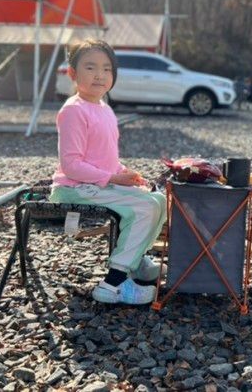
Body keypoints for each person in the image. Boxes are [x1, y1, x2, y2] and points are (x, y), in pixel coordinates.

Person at [50, 39, 167, 305]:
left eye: (107, 69)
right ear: (73, 73)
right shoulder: (73, 110)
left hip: (98, 184)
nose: (99, 75)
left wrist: (126, 174)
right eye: (90, 67)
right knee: (144, 208)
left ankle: (136, 261)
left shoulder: (104, 109)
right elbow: (71, 165)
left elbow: (105, 159)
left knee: (159, 200)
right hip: (74, 187)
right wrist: (114, 179)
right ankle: (113, 284)